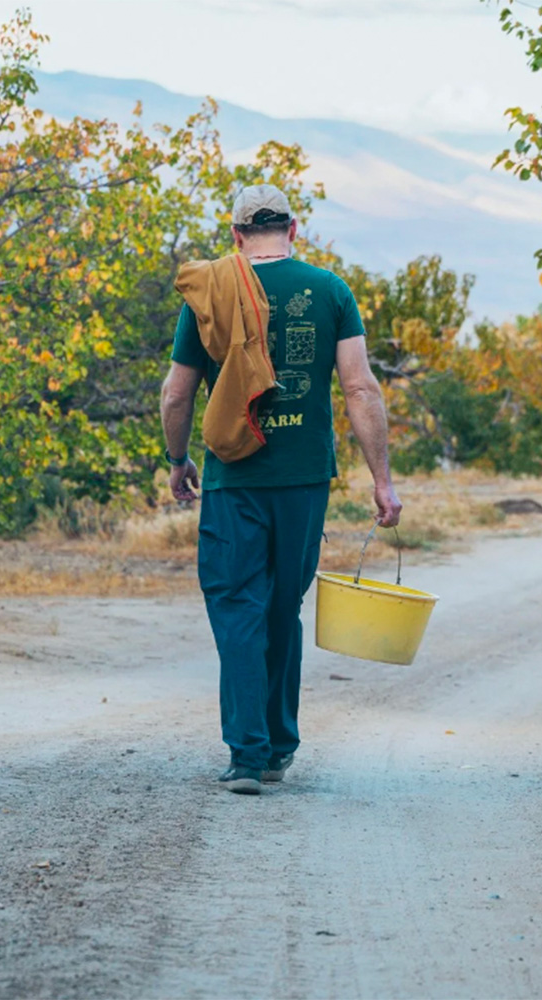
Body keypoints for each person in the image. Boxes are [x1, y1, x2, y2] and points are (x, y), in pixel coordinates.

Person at [160, 184, 402, 795]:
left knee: (236, 606)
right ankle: (278, 748)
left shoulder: (211, 293)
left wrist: (178, 459)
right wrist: (383, 481)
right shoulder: (331, 291)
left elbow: (176, 392)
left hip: (235, 478)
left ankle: (247, 755)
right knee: (280, 609)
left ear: (236, 235)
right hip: (304, 481)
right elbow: (361, 389)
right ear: (293, 231)